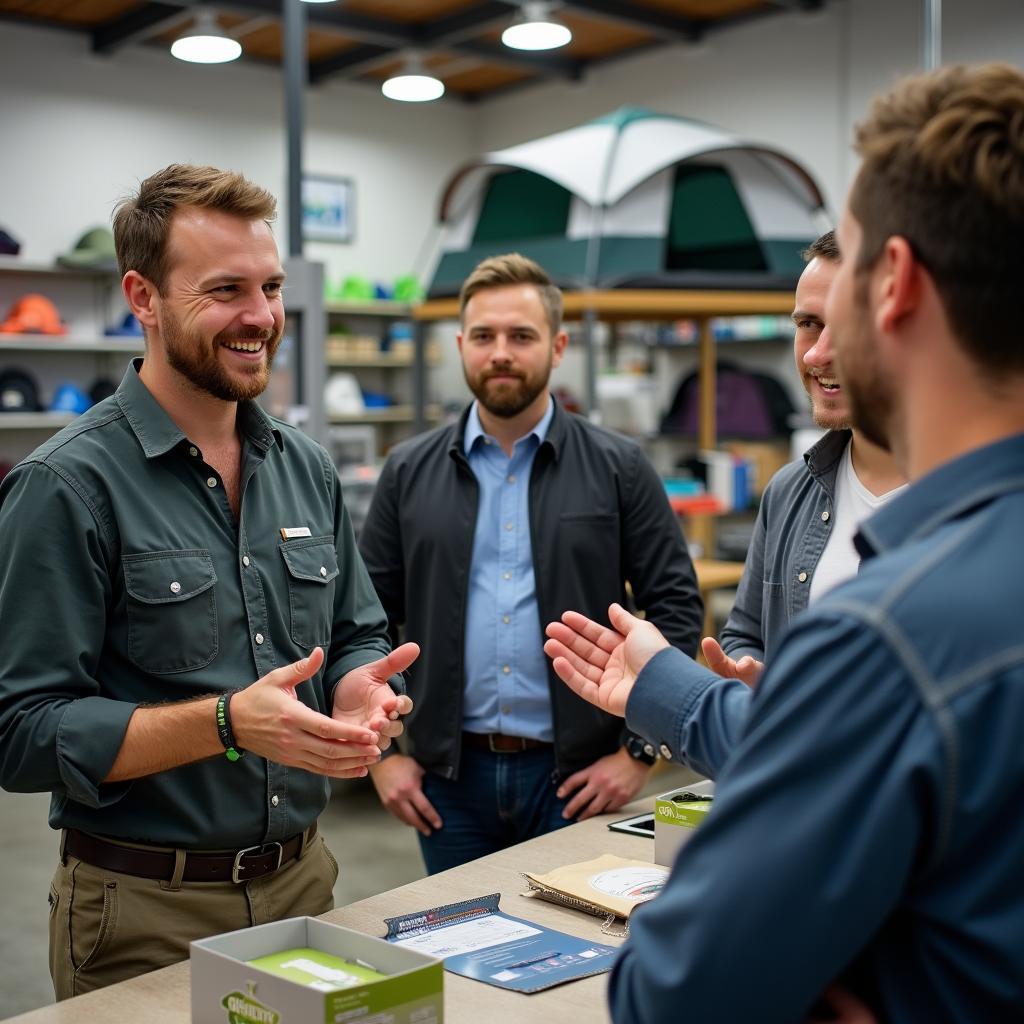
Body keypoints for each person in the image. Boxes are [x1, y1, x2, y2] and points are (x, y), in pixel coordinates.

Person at [544, 63, 1024, 1021]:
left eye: (843, 272)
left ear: (897, 288)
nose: (815, 338)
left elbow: (674, 995)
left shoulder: (891, 637)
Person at [0, 164, 416, 999]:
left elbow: (356, 632)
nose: (261, 316)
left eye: (270, 287)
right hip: (145, 909)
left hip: (306, 883)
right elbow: (22, 732)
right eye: (225, 289)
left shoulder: (304, 467)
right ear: (143, 297)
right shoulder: (66, 485)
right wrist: (229, 723)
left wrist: (356, 687)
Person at [358, 252, 703, 873]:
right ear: (462, 344)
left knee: (583, 951)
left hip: (576, 777)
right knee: (460, 952)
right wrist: (383, 758)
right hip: (448, 783)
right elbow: (364, 621)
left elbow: (676, 606)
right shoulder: (408, 471)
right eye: (484, 336)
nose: (501, 353)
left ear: (559, 345)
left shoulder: (619, 467)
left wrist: (638, 752)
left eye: (522, 336)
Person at [703, 230, 906, 686]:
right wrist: (752, 677)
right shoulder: (790, 490)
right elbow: (745, 632)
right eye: (808, 324)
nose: (817, 353)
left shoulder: (983, 503)